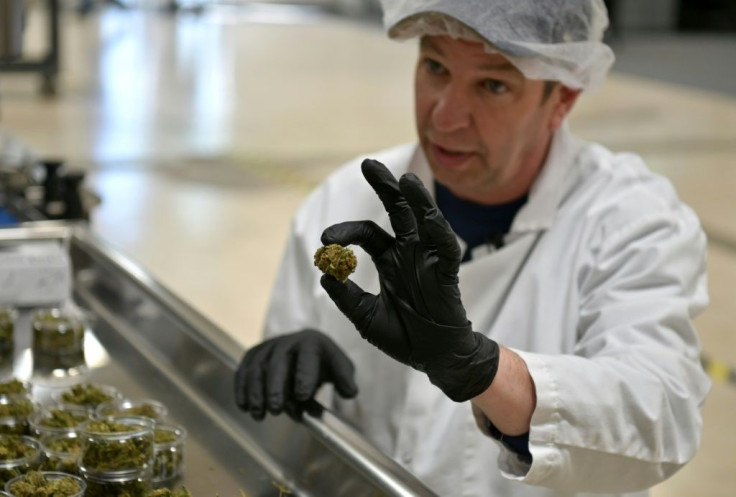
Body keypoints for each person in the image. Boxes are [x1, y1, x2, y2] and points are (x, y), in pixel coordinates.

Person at [234, 1, 711, 496]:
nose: (446, 115)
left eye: (493, 84)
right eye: (435, 67)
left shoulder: (630, 221)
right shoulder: (342, 202)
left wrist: (483, 370)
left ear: (562, 99)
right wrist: (297, 370)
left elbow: (661, 416)